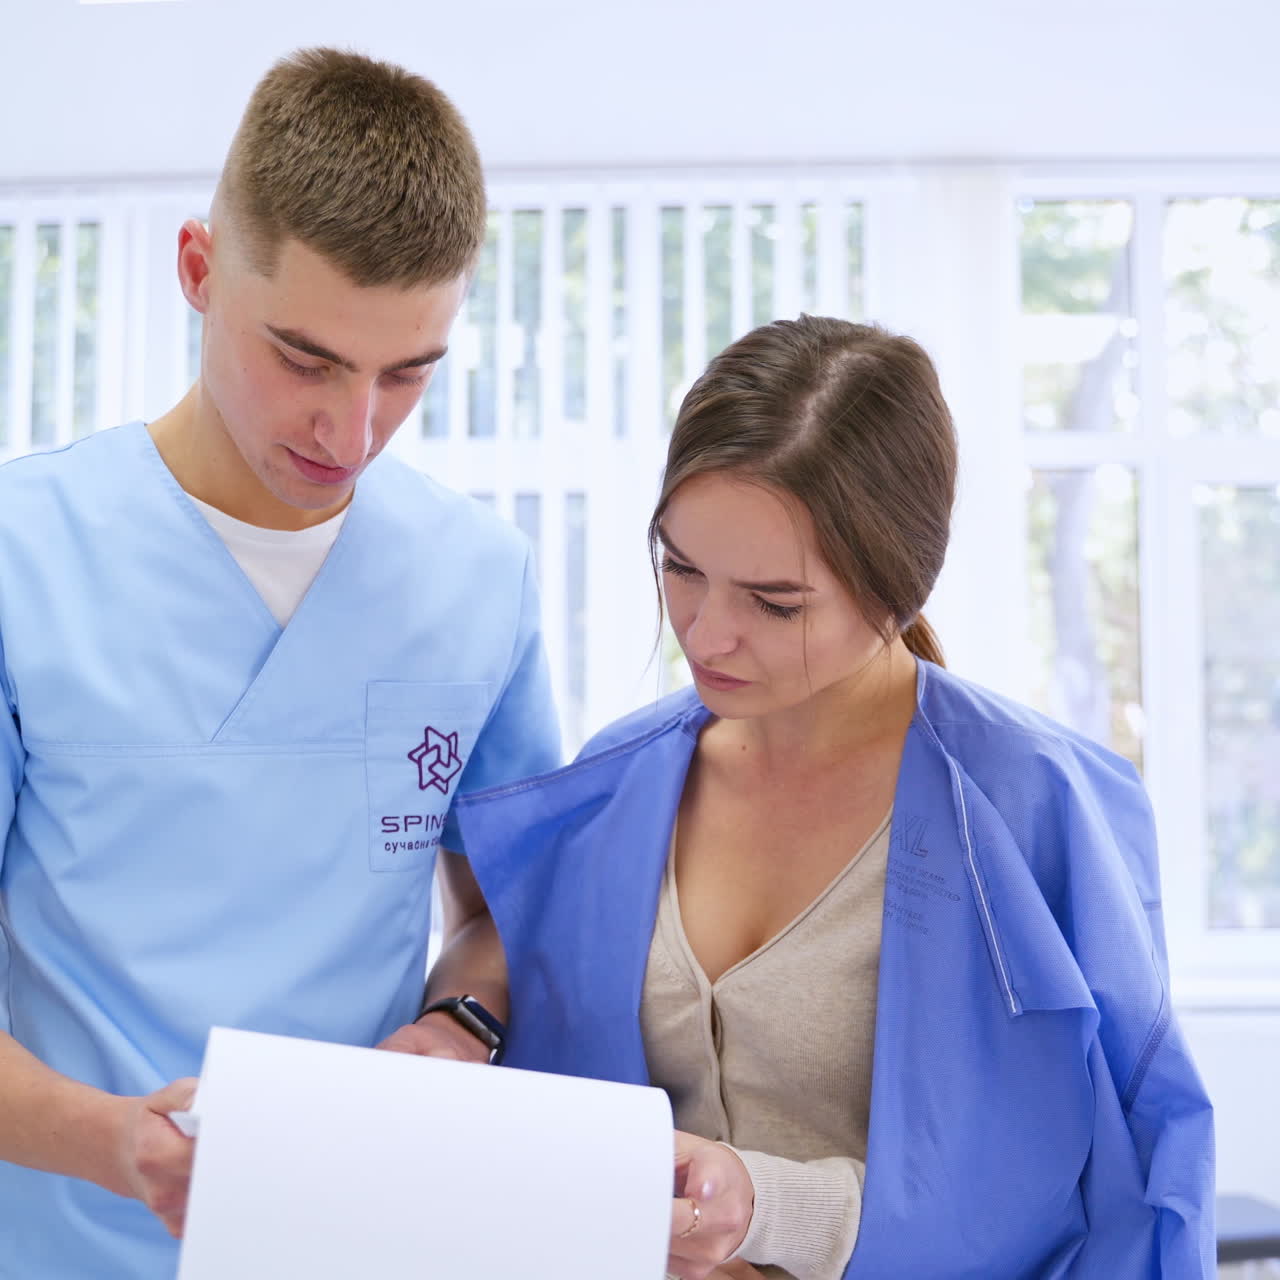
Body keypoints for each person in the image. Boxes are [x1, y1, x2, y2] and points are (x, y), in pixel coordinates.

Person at [455, 317, 1216, 1280]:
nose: (707, 635)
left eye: (774, 602)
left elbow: (1079, 1181)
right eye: (682, 568)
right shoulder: (621, 780)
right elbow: (530, 999)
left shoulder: (1032, 809)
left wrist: (763, 1207)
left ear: (898, 587)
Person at [0, 48, 559, 1277]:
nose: (350, 429)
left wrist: (461, 1021)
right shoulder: (21, 557)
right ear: (198, 271)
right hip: (62, 1236)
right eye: (306, 358)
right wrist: (112, 1143)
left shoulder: (480, 581)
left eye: (406, 371)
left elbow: (509, 920)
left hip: (357, 1236)